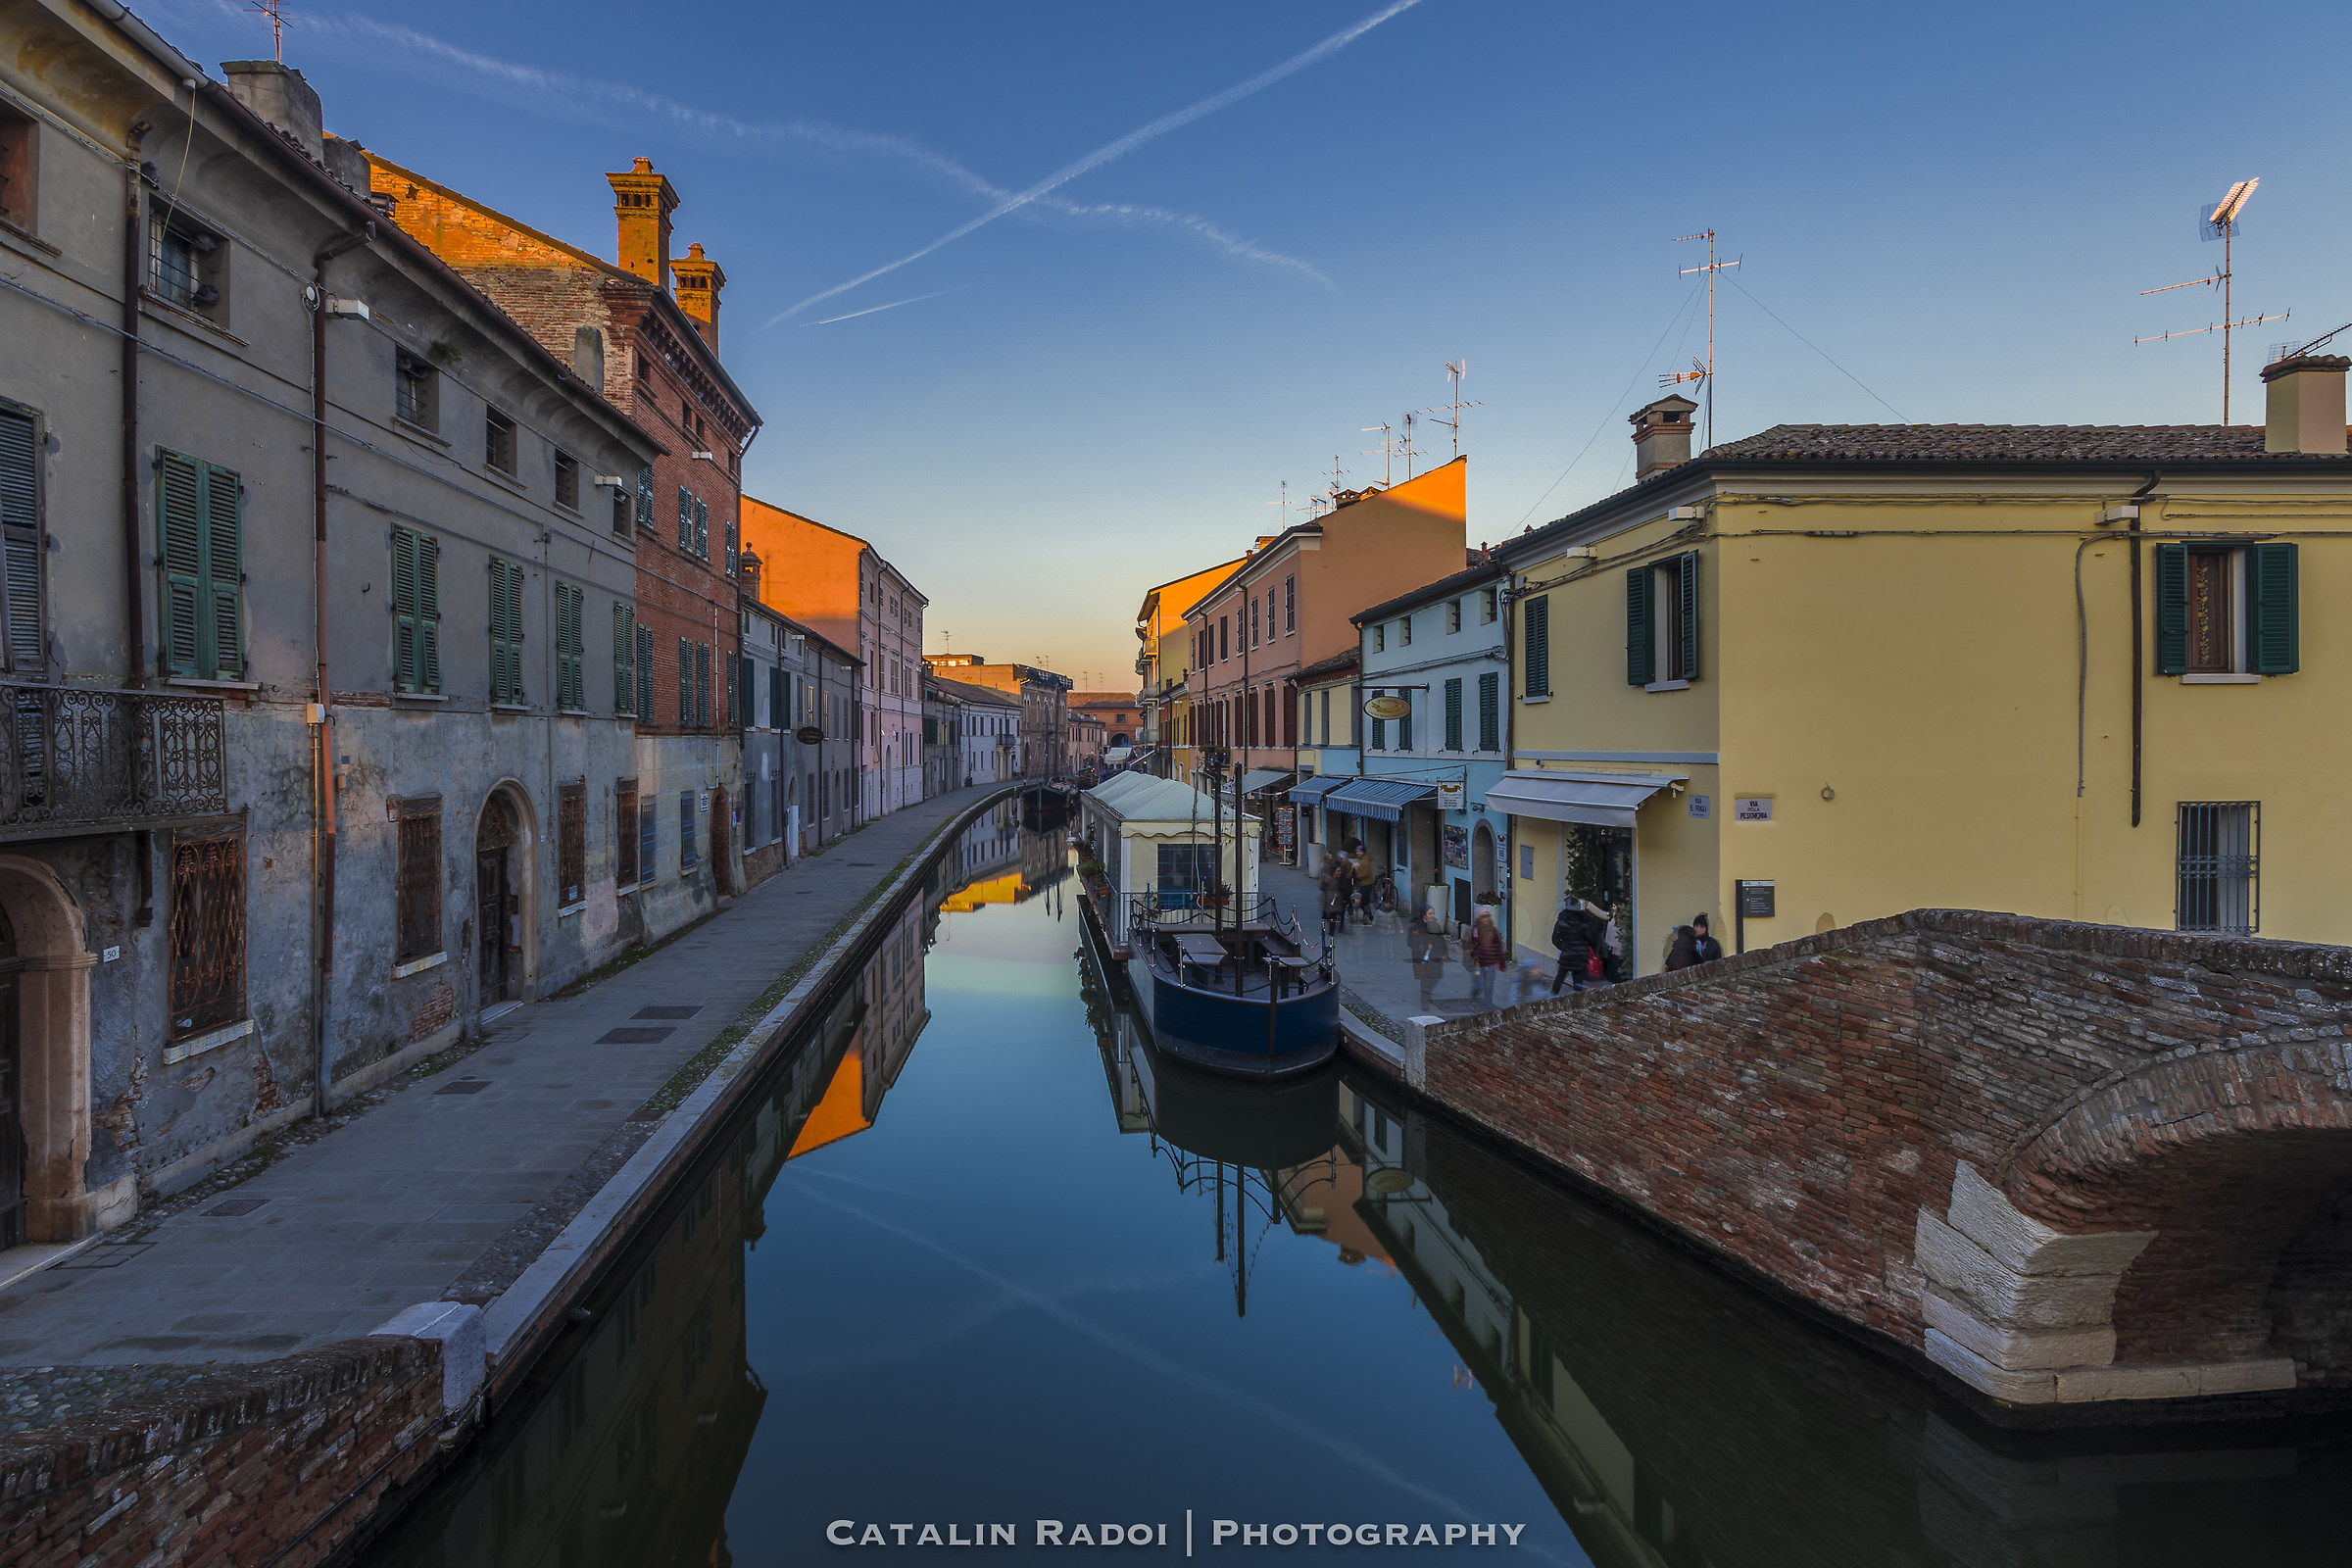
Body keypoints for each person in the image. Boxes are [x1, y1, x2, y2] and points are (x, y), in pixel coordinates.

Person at [1550, 898, 1611, 995]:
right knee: (1578, 979)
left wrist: (1564, 948)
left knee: (1560, 977)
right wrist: (1590, 949)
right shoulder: (1584, 922)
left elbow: (1555, 939)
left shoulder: (1561, 921)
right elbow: (1592, 938)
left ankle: (1552, 996)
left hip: (1567, 955)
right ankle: (1576, 1001)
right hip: (1581, 955)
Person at [1407, 906, 1449, 1009]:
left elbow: (1441, 940)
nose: (1432, 915)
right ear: (1424, 915)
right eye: (1430, 913)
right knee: (1425, 978)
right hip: (1421, 956)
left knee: (1435, 976)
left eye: (1433, 913)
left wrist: (1445, 953)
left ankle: (1428, 992)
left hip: (1434, 955)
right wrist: (1424, 946)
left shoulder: (1436, 925)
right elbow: (1410, 942)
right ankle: (1424, 1000)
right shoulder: (1416, 926)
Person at [1464, 908, 1508, 1007]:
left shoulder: (1493, 931)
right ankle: (1474, 996)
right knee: (1478, 985)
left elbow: (1499, 947)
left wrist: (1502, 962)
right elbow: (1467, 945)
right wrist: (1468, 957)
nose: (1486, 918)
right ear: (1479, 918)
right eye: (1484, 916)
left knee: (1489, 986)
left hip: (1491, 962)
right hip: (1477, 963)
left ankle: (1487, 1004)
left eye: (1488, 916)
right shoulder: (1474, 930)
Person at [1318, 853, 1354, 935]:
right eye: (1338, 871)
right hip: (1332, 899)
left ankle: (1332, 931)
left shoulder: (1341, 879)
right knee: (1332, 916)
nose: (1339, 873)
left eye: (1340, 871)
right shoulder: (1331, 878)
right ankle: (1331, 931)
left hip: (1335, 900)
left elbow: (1344, 888)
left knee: (1333, 916)